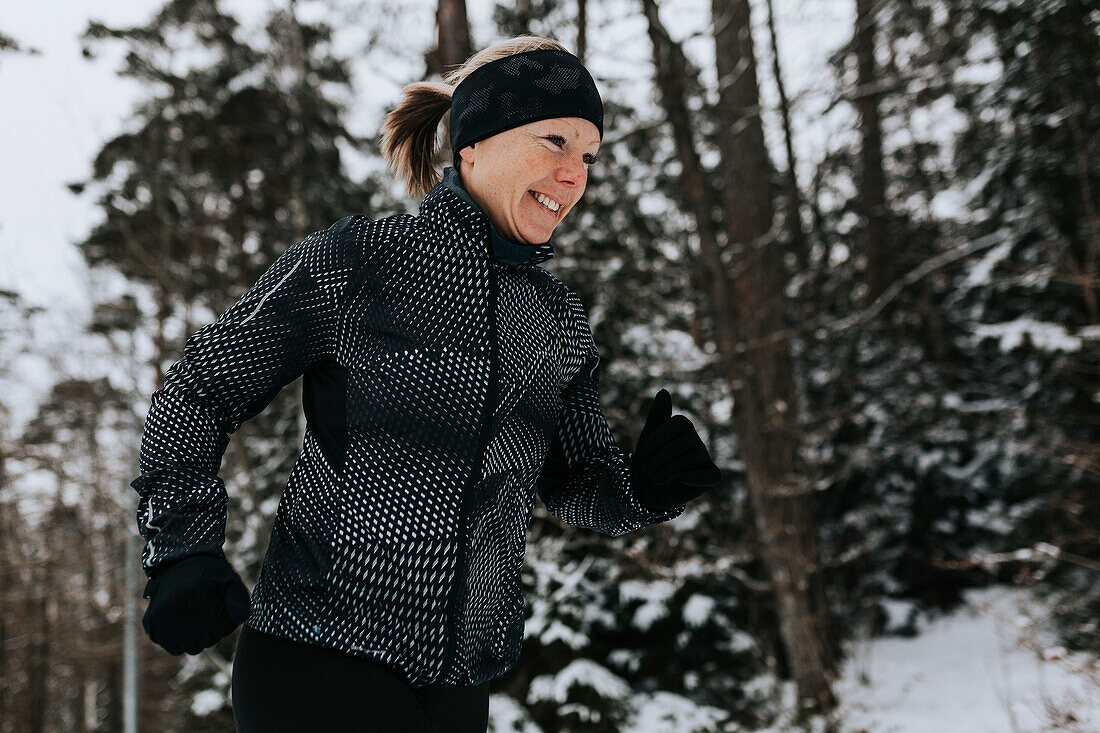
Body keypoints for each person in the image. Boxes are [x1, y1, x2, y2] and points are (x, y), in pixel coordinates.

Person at [130, 35, 722, 732]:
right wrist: (182, 547)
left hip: (456, 686)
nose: (574, 175)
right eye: (555, 141)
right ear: (474, 145)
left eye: (589, 156)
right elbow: (201, 389)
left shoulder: (557, 319)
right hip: (320, 658)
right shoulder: (356, 266)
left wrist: (643, 491)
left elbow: (576, 482)